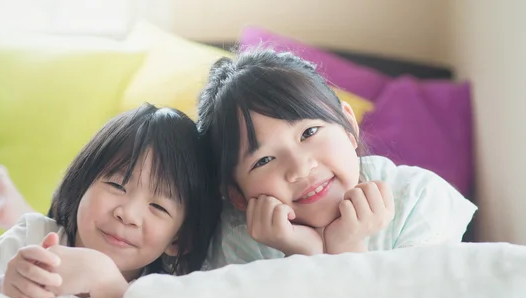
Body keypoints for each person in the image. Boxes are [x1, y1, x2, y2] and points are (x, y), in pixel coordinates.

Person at [195, 48, 477, 268]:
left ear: (348, 126)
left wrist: (348, 245)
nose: (301, 167)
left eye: (309, 132)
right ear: (236, 195)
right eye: (264, 160)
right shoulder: (239, 242)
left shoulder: (418, 198)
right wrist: (305, 254)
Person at [0, 104, 221, 298]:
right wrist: (3, 285)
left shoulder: (167, 291)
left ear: (178, 240)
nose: (128, 214)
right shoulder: (34, 236)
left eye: (158, 207)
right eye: (117, 186)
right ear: (83, 183)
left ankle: (11, 201)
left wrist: (109, 285)